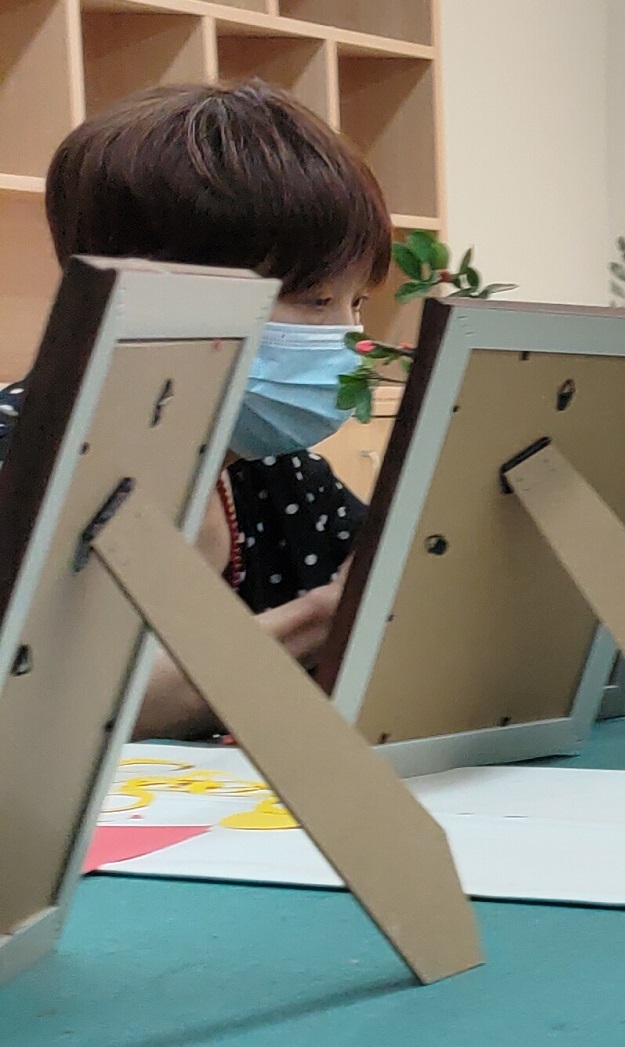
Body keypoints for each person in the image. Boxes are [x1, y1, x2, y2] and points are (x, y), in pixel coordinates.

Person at [0, 84, 391, 738]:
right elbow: (40, 716)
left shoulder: (276, 472)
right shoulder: (19, 461)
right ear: (153, 289)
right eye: (314, 300)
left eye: (358, 304)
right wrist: (320, 621)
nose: (347, 340)